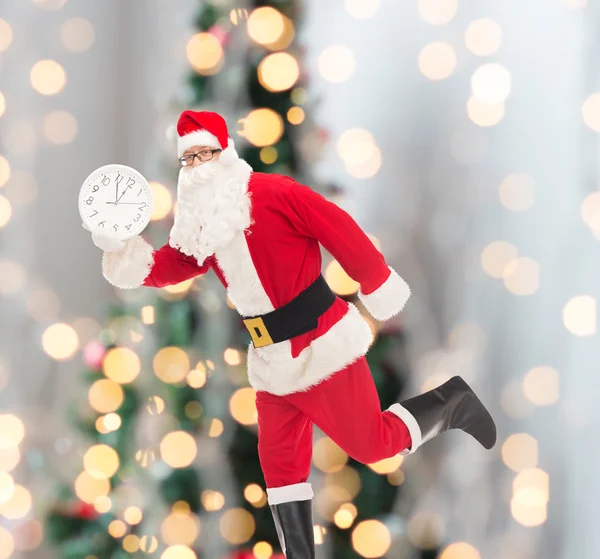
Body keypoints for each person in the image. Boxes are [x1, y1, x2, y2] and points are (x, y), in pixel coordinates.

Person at [89, 110, 497, 558]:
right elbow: (174, 264)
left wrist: (376, 282)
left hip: (322, 346)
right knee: (280, 469)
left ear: (224, 154)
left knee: (373, 444)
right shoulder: (203, 226)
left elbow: (337, 229)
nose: (197, 166)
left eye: (204, 153)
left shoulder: (272, 193)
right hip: (270, 362)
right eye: (188, 159)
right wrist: (121, 248)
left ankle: (452, 402)